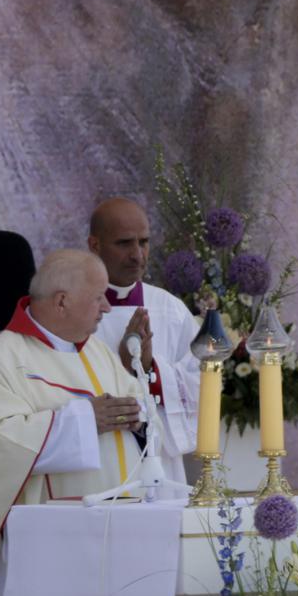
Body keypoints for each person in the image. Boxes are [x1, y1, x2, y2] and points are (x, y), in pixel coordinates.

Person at [0, 250, 146, 596]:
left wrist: (138, 412)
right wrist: (81, 418)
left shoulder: (95, 352)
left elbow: (134, 401)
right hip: (46, 545)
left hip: (114, 533)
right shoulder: (4, 360)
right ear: (61, 301)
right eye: (98, 298)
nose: (108, 307)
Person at [87, 197, 201, 484]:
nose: (138, 255)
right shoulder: (71, 308)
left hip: (158, 464)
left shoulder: (169, 309)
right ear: (94, 245)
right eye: (124, 243)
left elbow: (203, 382)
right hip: (95, 463)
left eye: (144, 242)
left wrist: (151, 370)